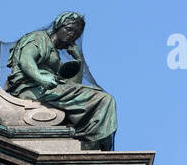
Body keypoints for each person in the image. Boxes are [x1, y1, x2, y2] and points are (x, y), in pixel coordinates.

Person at [6, 12, 116, 150]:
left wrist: (78, 60)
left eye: (76, 34)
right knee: (104, 99)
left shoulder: (56, 54)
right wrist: (41, 78)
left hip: (50, 90)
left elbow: (73, 85)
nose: (71, 35)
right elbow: (26, 60)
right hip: (33, 89)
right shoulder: (39, 37)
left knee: (104, 99)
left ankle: (92, 139)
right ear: (58, 26)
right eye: (69, 29)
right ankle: (90, 139)